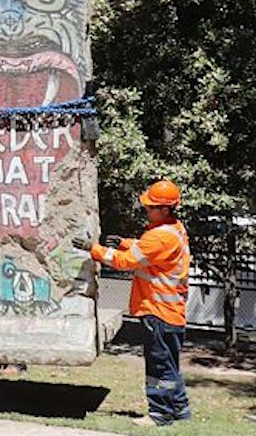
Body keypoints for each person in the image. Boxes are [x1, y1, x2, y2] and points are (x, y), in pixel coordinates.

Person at [72, 179, 191, 427]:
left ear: (165, 209)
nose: (146, 210)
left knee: (159, 367)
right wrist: (126, 242)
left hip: (158, 311)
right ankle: (180, 411)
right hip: (172, 313)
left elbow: (125, 262)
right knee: (170, 364)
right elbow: (146, 251)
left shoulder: (160, 237)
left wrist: (93, 249)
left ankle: (160, 415)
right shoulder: (175, 229)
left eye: (151, 207)